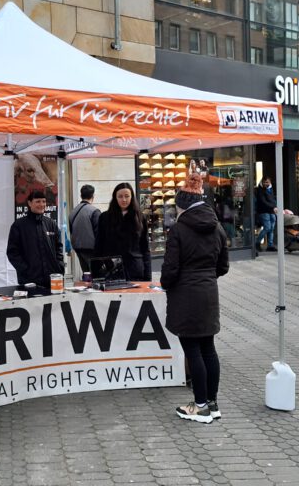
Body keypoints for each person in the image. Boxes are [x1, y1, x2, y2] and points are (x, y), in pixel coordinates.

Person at [160, 172, 229, 424]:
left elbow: (170, 269)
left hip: (185, 295)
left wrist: (166, 285)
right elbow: (223, 267)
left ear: (183, 205)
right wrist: (206, 277)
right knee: (208, 348)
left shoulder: (178, 230)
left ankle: (199, 406)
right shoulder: (218, 227)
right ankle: (212, 403)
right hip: (209, 292)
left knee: (192, 350)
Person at [6, 189, 64, 288]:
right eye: (37, 201)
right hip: (29, 280)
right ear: (29, 203)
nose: (41, 204)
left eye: (44, 201)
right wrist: (25, 269)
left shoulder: (51, 223)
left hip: (52, 279)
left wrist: (59, 265)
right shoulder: (19, 225)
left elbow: (59, 247)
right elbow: (12, 252)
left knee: (53, 303)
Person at [95, 182, 152, 281]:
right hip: (111, 269)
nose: (124, 200)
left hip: (135, 269)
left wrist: (148, 276)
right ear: (115, 198)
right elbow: (99, 245)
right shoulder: (105, 217)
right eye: (120, 196)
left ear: (132, 197)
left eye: (127, 196)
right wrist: (96, 273)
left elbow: (145, 248)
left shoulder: (140, 217)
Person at [68, 184, 101, 273]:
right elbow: (99, 233)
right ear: (93, 196)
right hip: (92, 249)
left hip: (78, 248)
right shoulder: (94, 211)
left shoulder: (73, 212)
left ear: (81, 195)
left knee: (86, 274)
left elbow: (71, 230)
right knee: (97, 275)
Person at [255, 176, 277, 252]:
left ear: (270, 182)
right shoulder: (260, 190)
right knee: (267, 227)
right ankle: (257, 242)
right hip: (263, 211)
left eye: (267, 182)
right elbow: (263, 201)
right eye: (264, 182)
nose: (266, 184)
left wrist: (274, 207)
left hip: (272, 211)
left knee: (271, 229)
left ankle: (270, 245)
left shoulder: (270, 188)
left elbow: (273, 199)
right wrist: (273, 207)